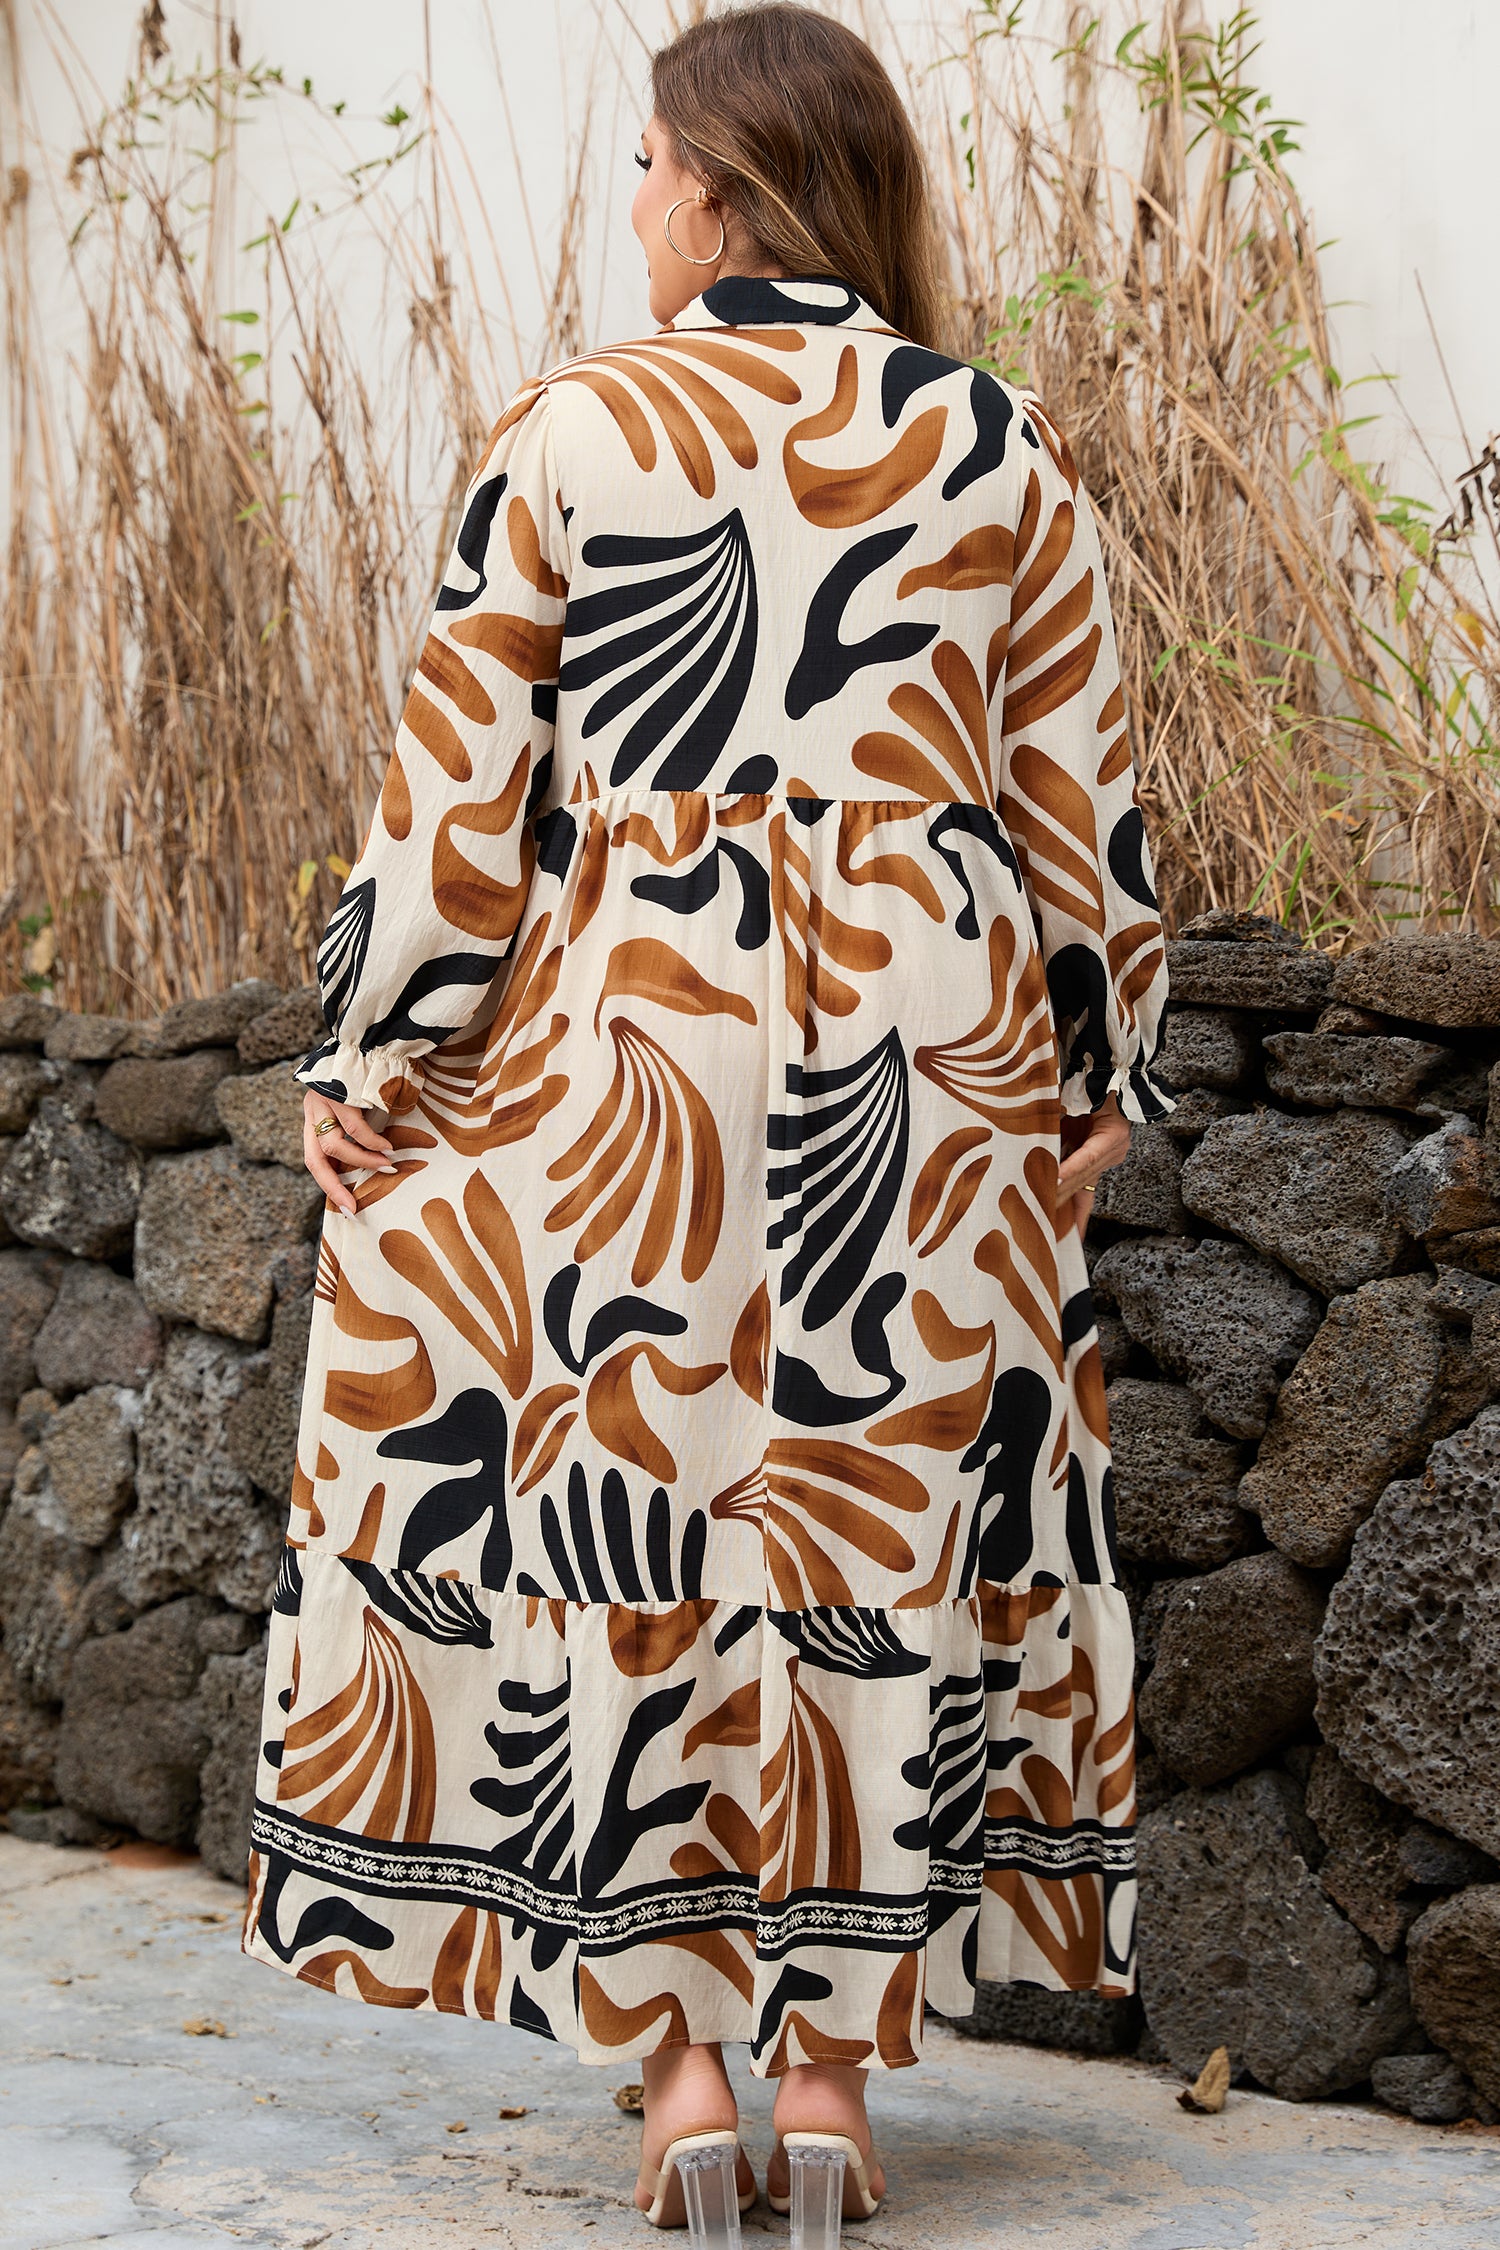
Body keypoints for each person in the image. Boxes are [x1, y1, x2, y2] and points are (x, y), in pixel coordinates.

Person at [242, 3, 1172, 2234]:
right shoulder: (996, 441)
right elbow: (1082, 794)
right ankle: (833, 2080)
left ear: (734, 189)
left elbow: (459, 790)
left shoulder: (572, 425)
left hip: (635, 1026)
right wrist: (1102, 1064)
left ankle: (676, 2077)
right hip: (932, 1049)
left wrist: (370, 1058)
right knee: (878, 1518)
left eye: (656, 165)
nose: (639, 202)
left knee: (634, 1510)